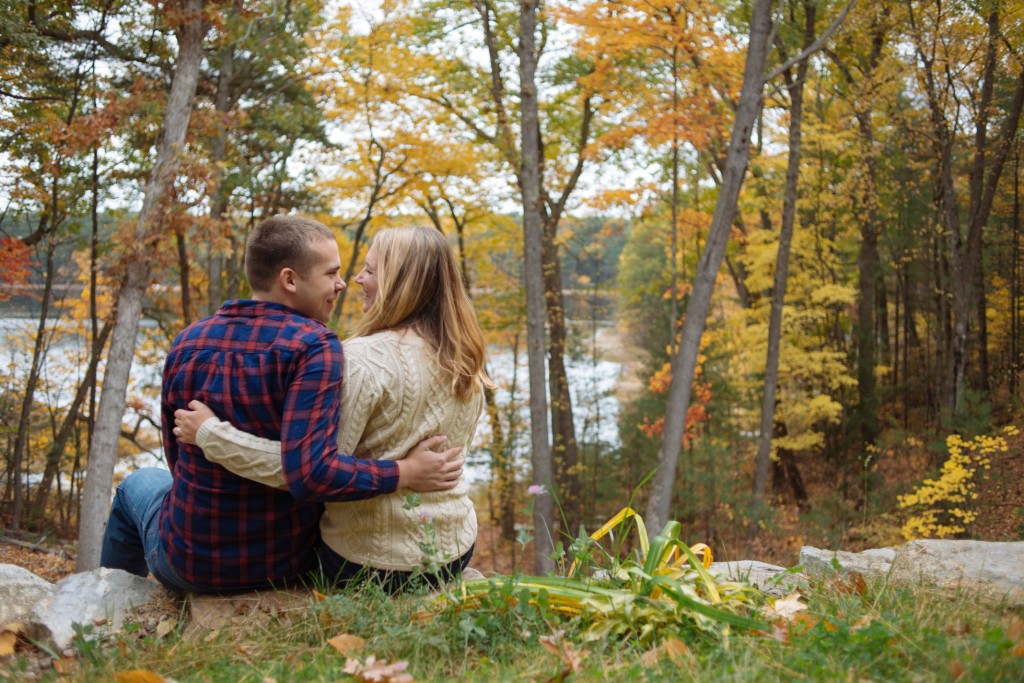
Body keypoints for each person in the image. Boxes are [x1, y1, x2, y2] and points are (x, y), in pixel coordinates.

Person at [100, 216, 463, 594]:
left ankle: (105, 605)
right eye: (331, 273)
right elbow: (315, 469)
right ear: (289, 280)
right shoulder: (317, 346)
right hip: (288, 562)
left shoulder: (188, 341)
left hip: (192, 563)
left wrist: (210, 439)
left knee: (139, 483)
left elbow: (178, 458)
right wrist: (402, 471)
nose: (343, 283)